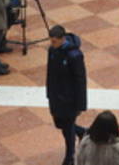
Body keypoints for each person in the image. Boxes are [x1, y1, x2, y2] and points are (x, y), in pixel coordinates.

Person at [47, 25, 88, 165]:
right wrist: (49, 93)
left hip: (70, 99)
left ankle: (70, 156)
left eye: (54, 41)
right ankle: (81, 131)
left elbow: (80, 79)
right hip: (56, 96)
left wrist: (81, 104)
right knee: (60, 124)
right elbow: (50, 73)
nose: (52, 44)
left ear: (62, 39)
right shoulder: (52, 50)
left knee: (68, 128)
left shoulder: (74, 55)